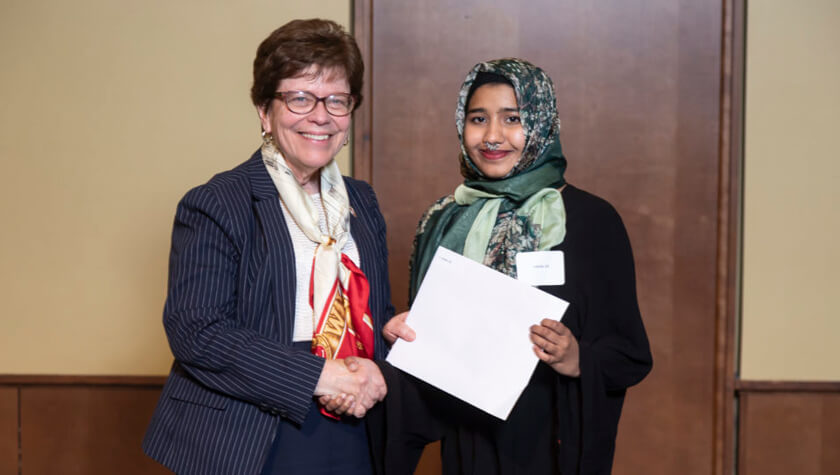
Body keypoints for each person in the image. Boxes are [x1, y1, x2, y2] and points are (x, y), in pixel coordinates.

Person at [371, 58, 653, 474]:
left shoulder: (591, 220)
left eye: (513, 119)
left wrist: (577, 358)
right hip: (464, 450)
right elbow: (430, 351)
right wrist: (404, 336)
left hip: (546, 449)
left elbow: (628, 356)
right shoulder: (444, 219)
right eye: (478, 118)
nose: (492, 136)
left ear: (540, 123)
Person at [142, 19, 394, 475]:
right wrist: (319, 375)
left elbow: (373, 311)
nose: (321, 116)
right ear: (264, 109)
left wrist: (389, 349)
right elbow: (196, 330)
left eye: (337, 100)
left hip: (356, 425)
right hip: (252, 433)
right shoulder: (218, 202)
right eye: (299, 97)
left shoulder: (363, 201)